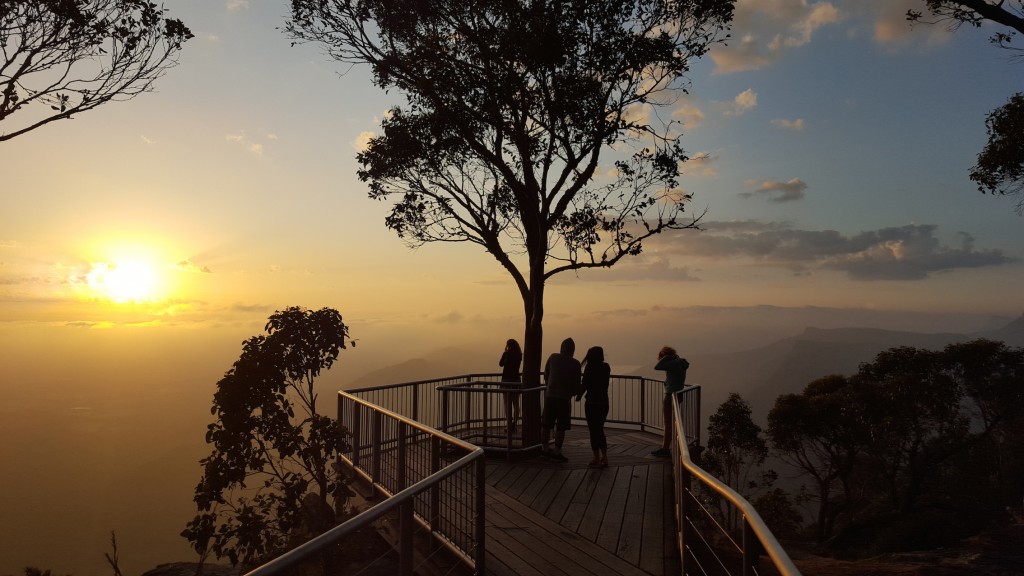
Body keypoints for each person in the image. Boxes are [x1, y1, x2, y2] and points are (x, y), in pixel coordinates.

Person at [541, 337, 581, 462]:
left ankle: (544, 449)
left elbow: (546, 373)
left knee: (547, 424)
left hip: (550, 395)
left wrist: (549, 385)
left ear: (561, 347)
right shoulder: (575, 363)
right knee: (561, 426)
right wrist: (574, 393)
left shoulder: (553, 357)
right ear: (572, 350)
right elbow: (576, 383)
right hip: (564, 398)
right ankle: (557, 452)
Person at [651, 346, 689, 457]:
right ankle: (667, 447)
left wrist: (667, 357)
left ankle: (665, 449)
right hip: (678, 394)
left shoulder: (673, 363)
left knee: (668, 423)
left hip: (670, 395)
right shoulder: (681, 362)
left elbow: (657, 367)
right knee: (672, 422)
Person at [577, 346, 610, 468]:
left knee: (593, 430)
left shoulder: (589, 367)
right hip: (604, 403)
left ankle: (596, 457)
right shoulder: (606, 367)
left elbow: (585, 384)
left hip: (591, 403)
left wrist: (578, 396)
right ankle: (604, 457)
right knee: (599, 429)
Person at [498, 339, 522, 432]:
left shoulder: (506, 354)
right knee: (516, 404)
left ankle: (509, 425)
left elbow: (500, 364)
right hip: (516, 381)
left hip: (506, 381)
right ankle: (514, 424)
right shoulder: (519, 355)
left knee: (507, 404)